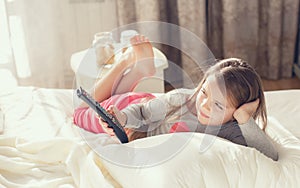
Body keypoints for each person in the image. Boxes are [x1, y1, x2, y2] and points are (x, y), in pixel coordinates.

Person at [73, 35, 278, 161]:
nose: (204, 105)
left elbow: (271, 155)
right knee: (80, 113)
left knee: (122, 96)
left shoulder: (232, 129)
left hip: (150, 106)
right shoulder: (184, 99)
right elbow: (143, 111)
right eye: (204, 92)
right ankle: (126, 62)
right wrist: (122, 118)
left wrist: (245, 117)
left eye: (218, 105)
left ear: (236, 112)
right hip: (137, 114)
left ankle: (138, 70)